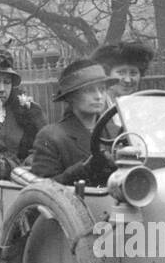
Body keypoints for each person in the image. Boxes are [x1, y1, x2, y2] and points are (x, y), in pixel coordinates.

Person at [27, 58, 120, 186]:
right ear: (71, 97)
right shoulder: (51, 136)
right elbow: (42, 190)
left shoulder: (116, 132)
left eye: (102, 89)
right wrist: (85, 169)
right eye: (89, 90)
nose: (98, 96)